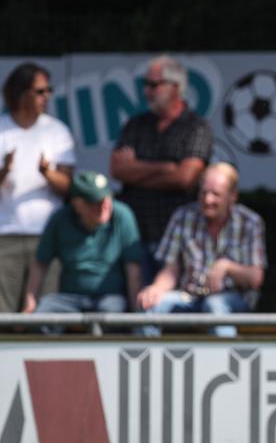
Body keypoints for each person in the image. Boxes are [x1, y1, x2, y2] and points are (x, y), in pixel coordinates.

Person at [110, 55, 213, 284]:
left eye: (154, 85)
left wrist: (136, 169)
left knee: (174, 305)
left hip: (179, 238)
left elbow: (185, 178)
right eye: (145, 85)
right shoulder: (136, 125)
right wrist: (166, 168)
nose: (147, 91)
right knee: (139, 304)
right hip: (136, 234)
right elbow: (117, 169)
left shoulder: (197, 127)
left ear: (176, 87)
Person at [136, 163, 266, 337]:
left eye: (216, 194)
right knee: (149, 306)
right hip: (189, 296)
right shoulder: (182, 216)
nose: (207, 200)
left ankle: (226, 361)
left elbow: (255, 278)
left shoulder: (250, 222)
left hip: (233, 297)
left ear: (232, 196)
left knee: (214, 306)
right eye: (203, 192)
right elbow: (171, 269)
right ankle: (147, 361)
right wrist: (156, 288)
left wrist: (227, 267)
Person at [22, 171, 142, 332]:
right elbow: (40, 263)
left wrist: (137, 313)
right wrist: (30, 302)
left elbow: (133, 268)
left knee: (112, 317)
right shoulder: (60, 219)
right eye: (95, 201)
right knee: (42, 315)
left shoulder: (122, 215)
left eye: (106, 198)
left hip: (110, 298)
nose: (104, 205)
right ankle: (51, 356)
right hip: (68, 298)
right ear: (77, 204)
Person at [0, 62, 76, 312]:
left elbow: (68, 188)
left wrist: (47, 173)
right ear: (21, 93)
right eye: (40, 91)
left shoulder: (57, 131)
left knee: (43, 310)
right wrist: (4, 171)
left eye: (49, 90)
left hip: (47, 235)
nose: (47, 97)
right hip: (5, 235)